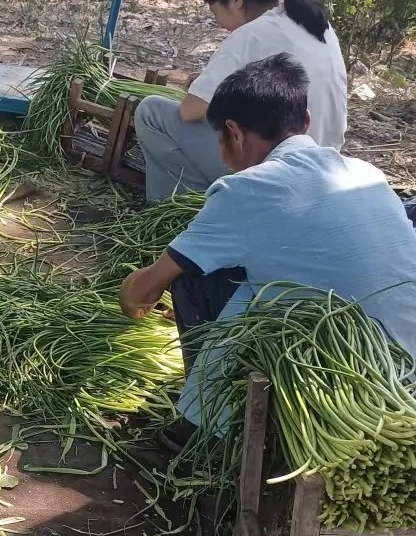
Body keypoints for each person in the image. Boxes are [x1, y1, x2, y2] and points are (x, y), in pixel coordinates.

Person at [120, 55, 416, 435]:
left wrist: (130, 293)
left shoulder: (246, 189)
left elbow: (145, 289)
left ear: (234, 132)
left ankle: (203, 427)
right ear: (306, 122)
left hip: (342, 371)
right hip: (402, 370)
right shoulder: (365, 172)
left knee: (195, 277)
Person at [134, 0, 348, 202]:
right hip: (325, 169)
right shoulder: (313, 22)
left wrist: (200, 89)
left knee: (151, 113)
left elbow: (189, 111)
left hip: (275, 177)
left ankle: (180, 211)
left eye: (216, 12)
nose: (219, 24)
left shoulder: (251, 34)